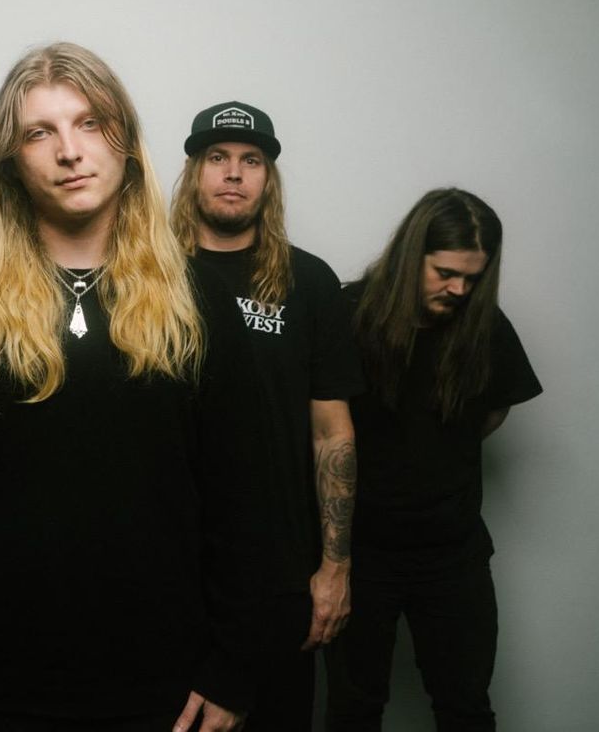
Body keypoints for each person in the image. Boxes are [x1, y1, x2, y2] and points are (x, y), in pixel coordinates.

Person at [0, 43, 266, 732]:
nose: (70, 151)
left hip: (164, 691)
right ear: (10, 161)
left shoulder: (197, 299)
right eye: (39, 132)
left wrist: (233, 669)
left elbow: (244, 499)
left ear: (125, 142)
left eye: (89, 123)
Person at [170, 101, 364, 729]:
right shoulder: (150, 277)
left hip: (281, 574)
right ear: (193, 173)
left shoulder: (308, 282)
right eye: (217, 158)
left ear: (268, 179)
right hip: (171, 572)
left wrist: (334, 568)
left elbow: (332, 433)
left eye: (251, 160)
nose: (234, 173)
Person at [324, 188, 543, 731]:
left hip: (452, 554)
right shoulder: (348, 315)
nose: (459, 289)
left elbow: (494, 411)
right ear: (411, 255)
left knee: (465, 707)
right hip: (360, 555)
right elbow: (320, 425)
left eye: (472, 278)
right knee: (353, 711)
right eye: (445, 273)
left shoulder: (484, 326)